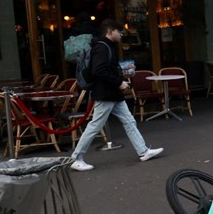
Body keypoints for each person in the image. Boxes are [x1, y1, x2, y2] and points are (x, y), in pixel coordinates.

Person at [70, 19, 163, 171]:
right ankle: (76, 157)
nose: (121, 34)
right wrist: (119, 83)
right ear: (109, 31)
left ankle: (143, 151)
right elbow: (99, 70)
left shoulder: (102, 46)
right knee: (96, 125)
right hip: (107, 93)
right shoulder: (103, 47)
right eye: (119, 31)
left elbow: (101, 69)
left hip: (110, 93)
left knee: (128, 121)